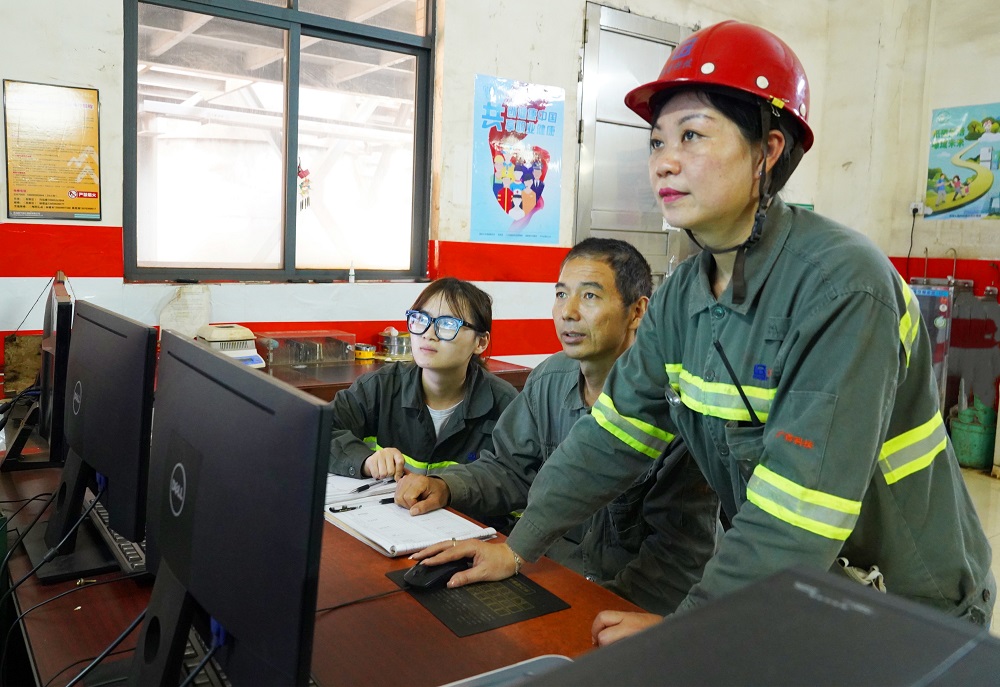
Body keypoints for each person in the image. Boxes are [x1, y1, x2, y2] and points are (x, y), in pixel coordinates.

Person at [410, 20, 994, 646]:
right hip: (793, 591)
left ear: (768, 151)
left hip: (903, 604)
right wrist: (519, 546)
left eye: (692, 135)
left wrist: (690, 627)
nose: (664, 161)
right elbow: (610, 438)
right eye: (657, 141)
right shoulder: (684, 295)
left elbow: (799, 507)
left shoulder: (843, 287)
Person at [396, 238, 720, 614]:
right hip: (548, 576)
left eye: (590, 296)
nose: (568, 312)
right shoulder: (548, 379)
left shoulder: (675, 406)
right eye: (561, 294)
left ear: (637, 311)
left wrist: (594, 612)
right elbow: (510, 470)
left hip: (630, 602)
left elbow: (677, 556)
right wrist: (446, 486)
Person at [328, 277, 517, 480]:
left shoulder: (505, 405)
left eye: (447, 324)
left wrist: (450, 488)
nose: (428, 334)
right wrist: (365, 460)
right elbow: (319, 432)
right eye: (420, 319)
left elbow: (517, 478)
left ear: (480, 342)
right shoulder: (379, 388)